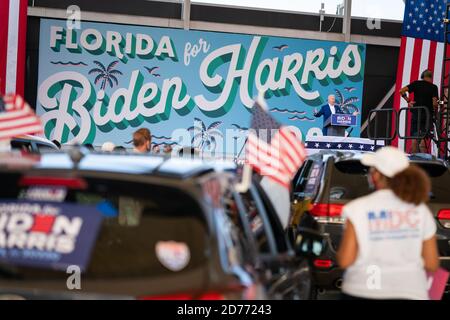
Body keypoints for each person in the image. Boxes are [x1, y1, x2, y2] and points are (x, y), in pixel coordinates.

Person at [337, 146, 439, 300]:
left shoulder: (357, 208)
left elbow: (345, 260)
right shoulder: (420, 210)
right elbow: (431, 263)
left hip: (362, 290)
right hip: (411, 292)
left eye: (372, 170)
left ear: (377, 176)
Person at [400, 69, 439, 154]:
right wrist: (440, 104)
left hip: (416, 115)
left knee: (414, 140)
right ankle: (424, 163)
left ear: (422, 76)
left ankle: (414, 162)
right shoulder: (433, 87)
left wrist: (408, 101)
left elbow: (401, 91)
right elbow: (435, 103)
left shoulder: (416, 83)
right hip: (427, 116)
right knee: (423, 141)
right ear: (431, 77)